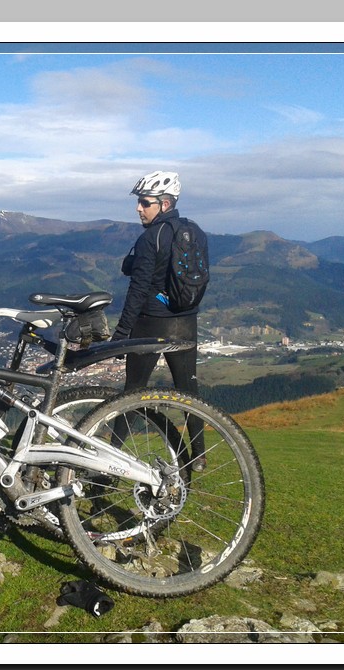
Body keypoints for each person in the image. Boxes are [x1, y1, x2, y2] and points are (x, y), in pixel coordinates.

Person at [111, 170, 208, 469]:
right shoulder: (196, 232)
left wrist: (122, 332)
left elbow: (137, 290)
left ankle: (112, 456)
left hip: (150, 322)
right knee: (188, 389)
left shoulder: (150, 238)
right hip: (186, 321)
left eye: (145, 202)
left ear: (164, 204)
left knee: (133, 391)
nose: (138, 208)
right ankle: (200, 457)